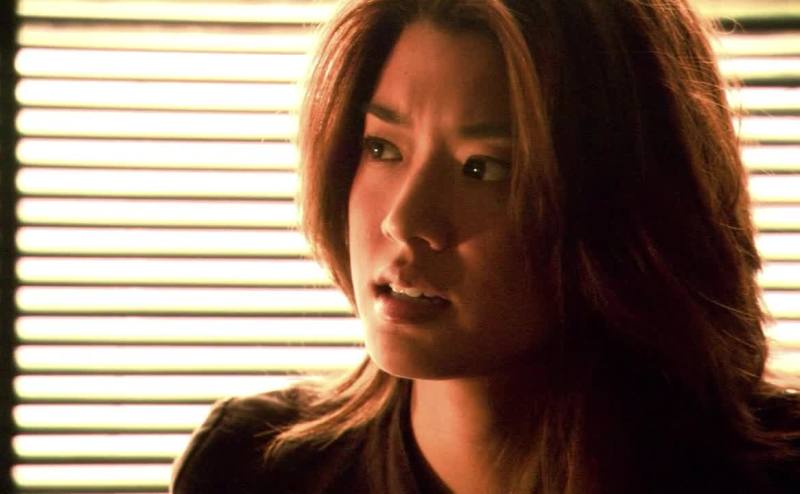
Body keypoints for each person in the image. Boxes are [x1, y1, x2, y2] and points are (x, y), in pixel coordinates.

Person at [171, 0, 800, 492]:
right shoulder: (253, 470)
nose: (404, 220)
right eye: (382, 148)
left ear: (621, 207)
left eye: (483, 168)